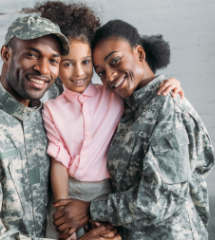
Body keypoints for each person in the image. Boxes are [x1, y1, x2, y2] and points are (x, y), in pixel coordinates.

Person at [0, 15, 121, 240]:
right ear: (6, 54)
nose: (42, 68)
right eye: (31, 54)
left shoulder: (45, 115)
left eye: (54, 60)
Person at [51, 19, 215, 240]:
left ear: (139, 53)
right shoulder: (128, 107)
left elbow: (160, 199)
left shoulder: (169, 107)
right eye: (101, 71)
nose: (109, 76)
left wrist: (91, 208)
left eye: (116, 61)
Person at [36, 2, 185, 240]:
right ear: (56, 65)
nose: (78, 72)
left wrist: (171, 81)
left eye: (86, 62)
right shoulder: (51, 109)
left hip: (107, 193)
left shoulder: (111, 94)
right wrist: (63, 207)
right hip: (69, 188)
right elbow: (59, 162)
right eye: (67, 63)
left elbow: (142, 92)